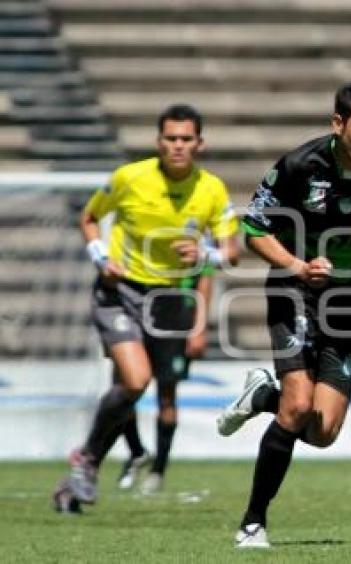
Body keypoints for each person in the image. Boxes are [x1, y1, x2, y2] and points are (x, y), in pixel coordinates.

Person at [214, 80, 351, 549]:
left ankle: (261, 398)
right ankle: (253, 522)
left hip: (348, 303)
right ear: (339, 123)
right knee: (296, 406)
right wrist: (297, 265)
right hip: (293, 290)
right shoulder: (300, 164)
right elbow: (254, 228)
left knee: (322, 431)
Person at [52, 103, 240, 513]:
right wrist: (102, 256)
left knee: (151, 390)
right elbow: (89, 217)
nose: (178, 146)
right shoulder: (129, 178)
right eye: (170, 138)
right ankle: (91, 460)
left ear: (199, 144)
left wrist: (205, 253)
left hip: (171, 301)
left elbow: (232, 252)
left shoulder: (211, 189)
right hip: (120, 291)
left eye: (186, 139)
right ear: (158, 142)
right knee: (136, 381)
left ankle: (86, 463)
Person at [115, 267, 214, 494]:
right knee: (125, 388)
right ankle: (137, 451)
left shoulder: (194, 235)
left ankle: (158, 470)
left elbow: (206, 276)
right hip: (137, 309)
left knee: (167, 396)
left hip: (177, 315)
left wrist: (199, 327)